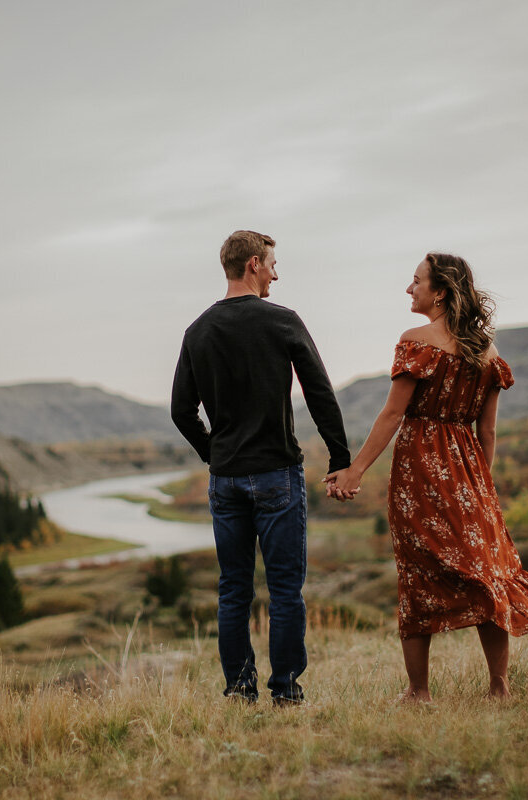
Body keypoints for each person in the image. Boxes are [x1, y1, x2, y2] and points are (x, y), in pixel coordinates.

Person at [324, 252, 528, 702]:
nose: (409, 289)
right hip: (470, 473)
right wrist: (480, 488)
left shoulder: (417, 341)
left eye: (416, 282)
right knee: (488, 572)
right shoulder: (487, 352)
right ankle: (499, 687)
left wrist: (355, 471)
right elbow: (486, 431)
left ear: (441, 291)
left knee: (417, 573)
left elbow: (393, 414)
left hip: (420, 471)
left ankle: (419, 691)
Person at [171, 230, 351, 706]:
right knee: (286, 590)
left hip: (224, 478)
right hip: (276, 473)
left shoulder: (197, 331)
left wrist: (214, 453)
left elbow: (180, 411)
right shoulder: (282, 321)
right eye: (273, 263)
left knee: (233, 590)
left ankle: (239, 690)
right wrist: (340, 456)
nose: (276, 273)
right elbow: (318, 392)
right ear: (253, 264)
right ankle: (286, 691)